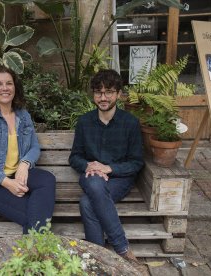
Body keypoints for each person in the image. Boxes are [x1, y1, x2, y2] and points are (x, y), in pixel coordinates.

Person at [69, 69, 146, 271]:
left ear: (118, 94)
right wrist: (89, 165)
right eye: (98, 92)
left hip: (119, 179)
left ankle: (96, 258)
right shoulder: (85, 122)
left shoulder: (130, 123)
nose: (103, 97)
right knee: (95, 182)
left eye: (109, 92)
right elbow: (74, 156)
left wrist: (109, 168)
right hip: (90, 176)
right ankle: (122, 248)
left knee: (87, 202)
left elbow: (136, 162)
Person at [0, 66, 56, 233]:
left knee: (47, 180)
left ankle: (32, 253)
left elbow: (34, 146)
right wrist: (7, 183)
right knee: (34, 213)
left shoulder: (23, 115)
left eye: (9, 83)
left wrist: (24, 163)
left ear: (15, 87)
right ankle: (37, 253)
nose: (5, 88)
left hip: (16, 174)